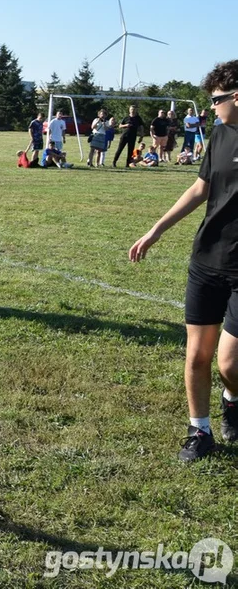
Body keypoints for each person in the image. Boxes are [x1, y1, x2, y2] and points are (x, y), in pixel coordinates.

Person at [129, 60, 238, 462]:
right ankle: (200, 430)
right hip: (208, 258)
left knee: (229, 362)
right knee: (197, 355)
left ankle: (232, 397)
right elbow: (200, 188)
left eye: (216, 100)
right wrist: (156, 229)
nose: (211, 108)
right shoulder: (221, 134)